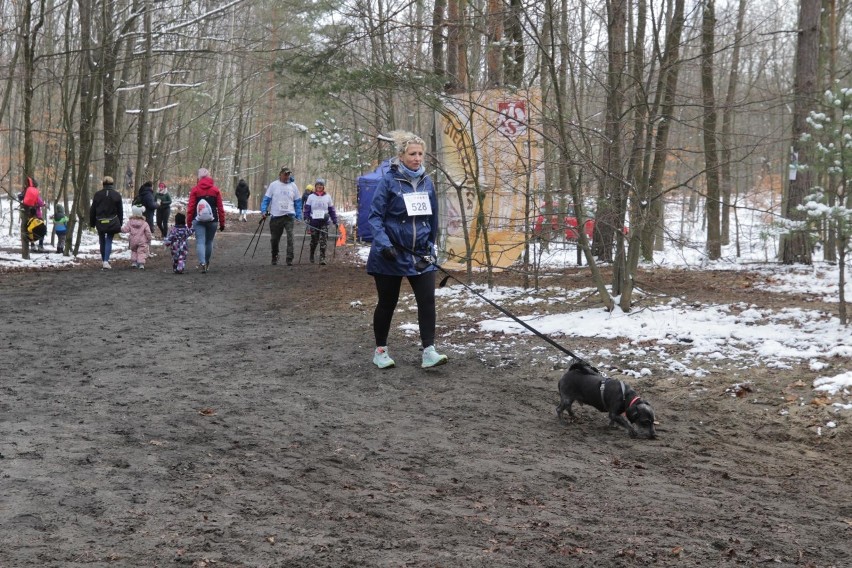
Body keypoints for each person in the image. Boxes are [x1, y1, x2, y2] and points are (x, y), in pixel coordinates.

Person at [366, 131, 448, 369]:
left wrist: (431, 246)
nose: (417, 158)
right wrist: (384, 245)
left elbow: (432, 217)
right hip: (390, 253)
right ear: (401, 155)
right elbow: (375, 217)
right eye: (412, 154)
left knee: (427, 301)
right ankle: (381, 351)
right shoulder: (389, 181)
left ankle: (429, 351)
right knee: (387, 303)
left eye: (421, 154)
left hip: (419, 254)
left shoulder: (427, 181)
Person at [186, 167, 225, 273]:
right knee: (209, 241)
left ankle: (202, 263)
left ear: (199, 177)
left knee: (200, 242)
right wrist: (222, 222)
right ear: (208, 177)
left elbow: (191, 207)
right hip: (213, 220)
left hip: (197, 219)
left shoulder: (195, 190)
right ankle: (207, 262)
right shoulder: (215, 190)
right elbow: (220, 208)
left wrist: (189, 221)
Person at [260, 166, 302, 266]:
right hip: (276, 216)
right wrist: (263, 210)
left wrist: (299, 215)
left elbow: (298, 202)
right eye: (285, 174)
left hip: (289, 216)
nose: (287, 176)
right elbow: (266, 199)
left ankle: (289, 258)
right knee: (274, 239)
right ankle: (275, 256)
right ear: (280, 174)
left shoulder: (293, 186)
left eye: (288, 174)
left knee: (290, 237)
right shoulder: (273, 185)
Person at [89, 175, 124, 270]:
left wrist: (92, 223)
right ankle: (106, 260)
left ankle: (104, 259)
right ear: (112, 184)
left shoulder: (97, 194)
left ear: (103, 184)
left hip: (100, 221)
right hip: (112, 221)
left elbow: (93, 210)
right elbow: (120, 210)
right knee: (109, 239)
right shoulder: (117, 195)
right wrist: (120, 223)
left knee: (101, 240)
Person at [303, 178, 338, 265]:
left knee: (323, 240)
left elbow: (331, 210)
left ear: (323, 187)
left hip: (324, 222)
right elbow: (307, 209)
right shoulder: (311, 197)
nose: (319, 186)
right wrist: (306, 218)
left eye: (321, 185)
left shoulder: (328, 197)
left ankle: (322, 258)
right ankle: (312, 254)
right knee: (314, 240)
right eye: (318, 185)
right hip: (314, 222)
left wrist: (335, 220)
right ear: (315, 186)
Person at [121, 205, 153, 269]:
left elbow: (125, 230)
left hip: (133, 240)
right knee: (141, 252)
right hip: (142, 241)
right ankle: (141, 264)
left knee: (134, 251)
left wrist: (120, 228)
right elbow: (148, 232)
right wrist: (149, 239)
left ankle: (134, 263)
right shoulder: (144, 223)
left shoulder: (130, 222)